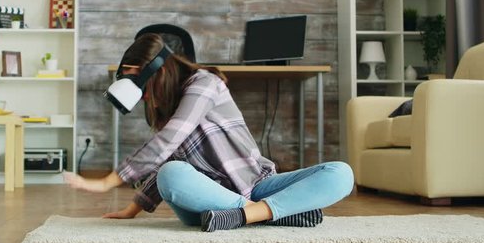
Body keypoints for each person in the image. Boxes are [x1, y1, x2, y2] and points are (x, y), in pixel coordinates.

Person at [64, 33, 354, 232]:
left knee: (340, 173)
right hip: (207, 199)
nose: (142, 97)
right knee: (171, 174)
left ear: (155, 72)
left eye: (139, 84)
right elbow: (164, 160)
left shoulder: (205, 83)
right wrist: (134, 207)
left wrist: (106, 182)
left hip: (254, 183)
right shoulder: (168, 113)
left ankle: (244, 216)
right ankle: (271, 214)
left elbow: (167, 141)